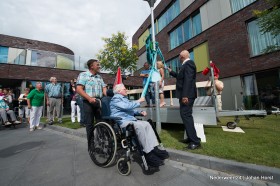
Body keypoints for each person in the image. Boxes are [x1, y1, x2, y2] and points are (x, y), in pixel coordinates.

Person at [110, 83, 169, 167]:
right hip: (123, 121)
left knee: (147, 124)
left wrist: (139, 113)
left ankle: (154, 148)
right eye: (124, 89)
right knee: (140, 126)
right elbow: (126, 107)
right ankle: (148, 153)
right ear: (119, 91)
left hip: (130, 120)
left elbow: (130, 110)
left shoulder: (123, 98)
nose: (126, 90)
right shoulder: (116, 99)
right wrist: (138, 101)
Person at [167, 50, 201, 150]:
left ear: (182, 56)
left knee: (186, 115)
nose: (178, 58)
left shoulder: (189, 64)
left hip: (187, 95)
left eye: (179, 56)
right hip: (186, 95)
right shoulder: (185, 65)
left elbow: (188, 80)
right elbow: (181, 77)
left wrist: (185, 95)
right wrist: (171, 72)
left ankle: (195, 141)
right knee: (185, 116)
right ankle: (191, 138)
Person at [76, 59, 107, 142]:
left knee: (101, 122)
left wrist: (107, 95)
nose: (99, 66)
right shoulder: (83, 75)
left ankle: (101, 141)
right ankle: (91, 144)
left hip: (98, 102)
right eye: (97, 65)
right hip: (88, 102)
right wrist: (89, 98)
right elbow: (79, 89)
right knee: (89, 124)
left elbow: (104, 87)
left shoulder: (99, 77)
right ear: (92, 66)